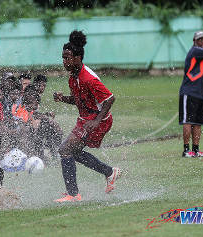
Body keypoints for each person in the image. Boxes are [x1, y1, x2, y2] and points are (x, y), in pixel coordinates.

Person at [53, 30, 121, 202]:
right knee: (72, 152)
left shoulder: (88, 78)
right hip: (86, 120)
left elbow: (109, 99)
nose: (64, 61)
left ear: (77, 58)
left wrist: (96, 121)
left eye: (67, 58)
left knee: (65, 149)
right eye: (63, 58)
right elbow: (80, 101)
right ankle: (109, 172)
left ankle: (73, 194)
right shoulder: (73, 76)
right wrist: (63, 99)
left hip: (98, 120)